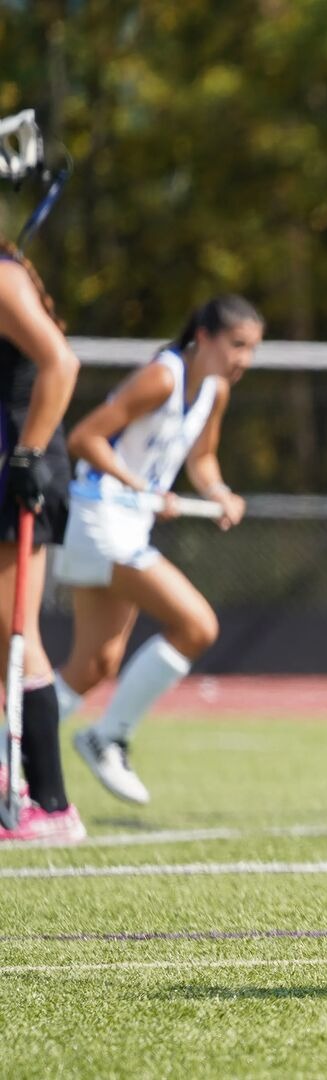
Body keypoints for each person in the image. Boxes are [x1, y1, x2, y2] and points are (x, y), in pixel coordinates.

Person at [54, 295, 259, 805]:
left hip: (129, 525)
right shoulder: (163, 378)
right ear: (204, 338)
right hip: (98, 518)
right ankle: (108, 736)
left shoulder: (214, 392)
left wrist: (218, 493)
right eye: (236, 346)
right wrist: (140, 487)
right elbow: (85, 438)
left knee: (95, 664)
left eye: (253, 349)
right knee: (197, 625)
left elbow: (203, 458)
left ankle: (7, 751)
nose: (244, 361)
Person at [0, 138, 84, 842]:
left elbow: (61, 364)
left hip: (26, 468)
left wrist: (26, 455)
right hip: (15, 461)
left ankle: (50, 806)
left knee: (13, 631)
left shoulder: (1, 276)